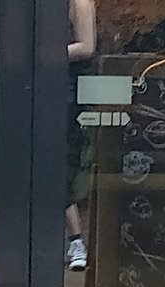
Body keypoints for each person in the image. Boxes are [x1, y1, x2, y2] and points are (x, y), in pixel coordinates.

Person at [65, 0, 97, 271]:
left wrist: (45, 53)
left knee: (62, 166)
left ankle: (76, 240)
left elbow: (87, 46)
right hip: (38, 86)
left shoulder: (79, 2)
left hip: (66, 90)